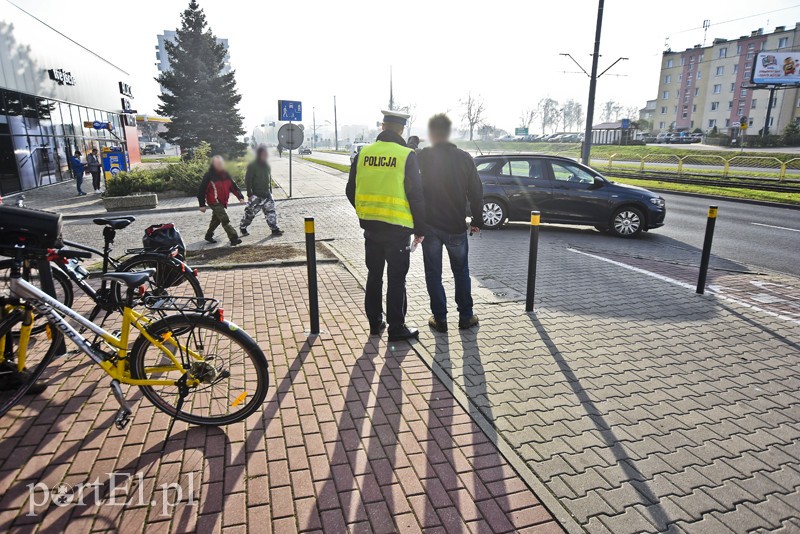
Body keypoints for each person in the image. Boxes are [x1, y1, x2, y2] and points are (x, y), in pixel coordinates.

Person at [346, 110, 426, 341]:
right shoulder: (406, 155)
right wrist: (420, 229)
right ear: (401, 130)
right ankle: (396, 328)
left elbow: (350, 190)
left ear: (382, 127)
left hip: (371, 229)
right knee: (396, 278)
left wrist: (365, 211)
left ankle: (374, 323)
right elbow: (416, 196)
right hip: (398, 229)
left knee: (374, 275)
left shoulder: (363, 154)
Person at [417, 113, 483, 332]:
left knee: (433, 273)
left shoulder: (423, 156)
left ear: (431, 134)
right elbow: (476, 192)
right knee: (461, 272)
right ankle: (466, 316)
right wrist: (477, 220)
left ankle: (440, 319)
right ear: (448, 133)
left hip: (430, 226)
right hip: (456, 226)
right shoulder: (464, 158)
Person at [198, 155, 244, 246]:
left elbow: (233, 187)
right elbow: (202, 190)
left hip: (223, 201)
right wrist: (202, 205)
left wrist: (240, 197)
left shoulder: (226, 174)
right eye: (217, 163)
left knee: (216, 219)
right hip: (214, 201)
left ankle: (208, 235)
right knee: (224, 219)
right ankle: (234, 238)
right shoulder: (209, 175)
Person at [240, 144, 283, 237]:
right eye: (263, 154)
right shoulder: (252, 165)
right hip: (256, 195)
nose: (265, 156)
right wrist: (249, 194)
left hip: (266, 194)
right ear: (259, 154)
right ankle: (243, 227)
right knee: (250, 213)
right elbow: (248, 180)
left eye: (266, 154)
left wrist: (270, 191)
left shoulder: (267, 165)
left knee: (271, 212)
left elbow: (268, 179)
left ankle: (274, 229)